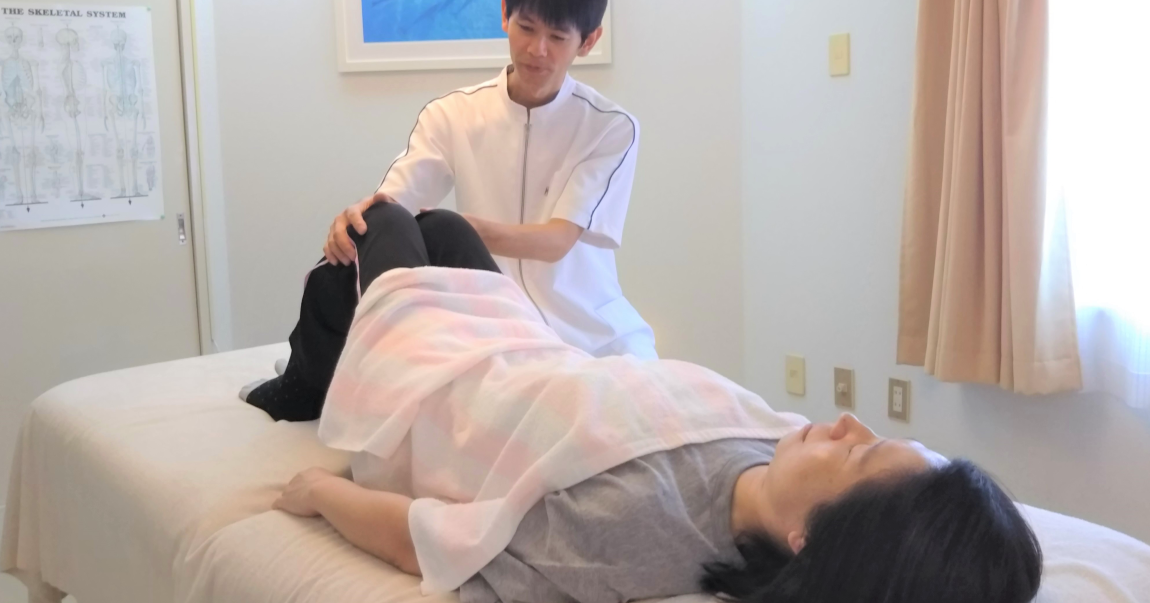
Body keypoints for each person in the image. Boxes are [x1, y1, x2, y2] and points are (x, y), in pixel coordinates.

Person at [261, 202, 1043, 603]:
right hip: (529, 354)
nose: (845, 423)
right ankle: (321, 344)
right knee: (444, 225)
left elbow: (434, 544)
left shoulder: (631, 526)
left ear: (809, 539)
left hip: (449, 391)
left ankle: (309, 375)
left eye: (860, 454)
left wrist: (321, 493)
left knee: (384, 220)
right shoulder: (774, 444)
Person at [326, 0, 653, 357]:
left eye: (557, 37)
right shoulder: (452, 114)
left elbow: (557, 240)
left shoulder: (609, 128)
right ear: (504, 14)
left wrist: (457, 231)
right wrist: (361, 218)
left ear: (588, 41)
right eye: (526, 27)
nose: (536, 49)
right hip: (492, 327)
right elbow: (395, 203)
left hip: (593, 335)